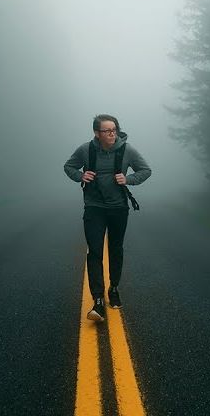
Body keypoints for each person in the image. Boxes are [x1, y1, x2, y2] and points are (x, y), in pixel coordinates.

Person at [63, 114, 152, 322]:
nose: (112, 133)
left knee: (115, 249)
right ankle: (98, 300)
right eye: (107, 130)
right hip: (94, 208)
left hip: (118, 209)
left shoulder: (127, 150)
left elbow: (146, 170)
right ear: (97, 133)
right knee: (94, 252)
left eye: (114, 129)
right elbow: (68, 167)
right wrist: (80, 176)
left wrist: (128, 179)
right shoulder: (86, 150)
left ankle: (113, 288)